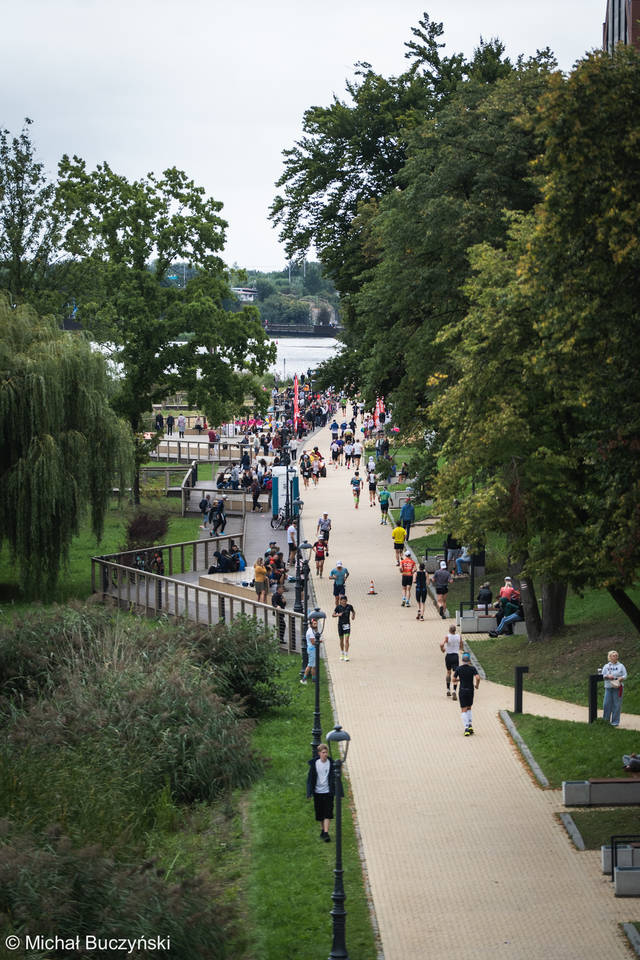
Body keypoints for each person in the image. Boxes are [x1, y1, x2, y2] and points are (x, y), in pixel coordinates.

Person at [306, 743, 338, 842]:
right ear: (319, 753)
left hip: (328, 792)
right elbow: (310, 779)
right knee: (320, 814)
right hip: (318, 792)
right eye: (323, 752)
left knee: (328, 813)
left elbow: (336, 778)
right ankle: (323, 830)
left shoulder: (331, 764)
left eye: (326, 752)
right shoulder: (315, 764)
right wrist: (309, 792)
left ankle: (326, 833)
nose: (325, 754)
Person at [453, 651, 480, 735]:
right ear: (469, 660)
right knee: (469, 707)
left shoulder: (459, 669)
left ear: (462, 660)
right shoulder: (472, 668)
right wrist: (477, 685)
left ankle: (466, 728)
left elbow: (453, 679)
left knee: (463, 709)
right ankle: (470, 725)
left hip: (462, 690)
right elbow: (478, 678)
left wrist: (459, 679)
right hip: (470, 690)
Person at [601, 650, 628, 727]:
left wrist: (621, 678)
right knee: (606, 704)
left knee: (617, 705)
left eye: (616, 655)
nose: (615, 657)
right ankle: (605, 721)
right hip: (608, 687)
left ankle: (615, 722)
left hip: (618, 687)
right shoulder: (606, 666)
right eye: (614, 655)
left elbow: (625, 675)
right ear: (610, 657)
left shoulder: (621, 666)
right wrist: (607, 676)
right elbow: (602, 675)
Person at [441, 625, 464, 699]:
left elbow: (442, 644)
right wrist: (461, 650)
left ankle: (448, 689)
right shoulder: (458, 636)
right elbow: (461, 645)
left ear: (449, 630)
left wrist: (442, 649)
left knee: (448, 672)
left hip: (448, 656)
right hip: (455, 656)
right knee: (455, 674)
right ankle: (454, 690)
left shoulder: (447, 636)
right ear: (455, 630)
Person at [333, 594, 356, 661]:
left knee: (347, 640)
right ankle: (342, 653)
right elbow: (333, 615)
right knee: (341, 640)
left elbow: (353, 612)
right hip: (340, 625)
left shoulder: (349, 606)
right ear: (340, 601)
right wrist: (338, 615)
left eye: (345, 601)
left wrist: (353, 616)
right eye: (343, 601)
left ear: (347, 601)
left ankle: (346, 655)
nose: (344, 602)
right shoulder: (338, 607)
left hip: (347, 625)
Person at [301, 615, 321, 685]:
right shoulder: (310, 632)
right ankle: (303, 679)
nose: (316, 625)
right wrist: (320, 641)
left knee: (313, 665)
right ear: (311, 624)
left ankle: (314, 680)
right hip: (312, 649)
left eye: (316, 623)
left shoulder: (312, 630)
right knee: (310, 665)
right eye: (314, 624)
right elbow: (313, 642)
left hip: (312, 649)